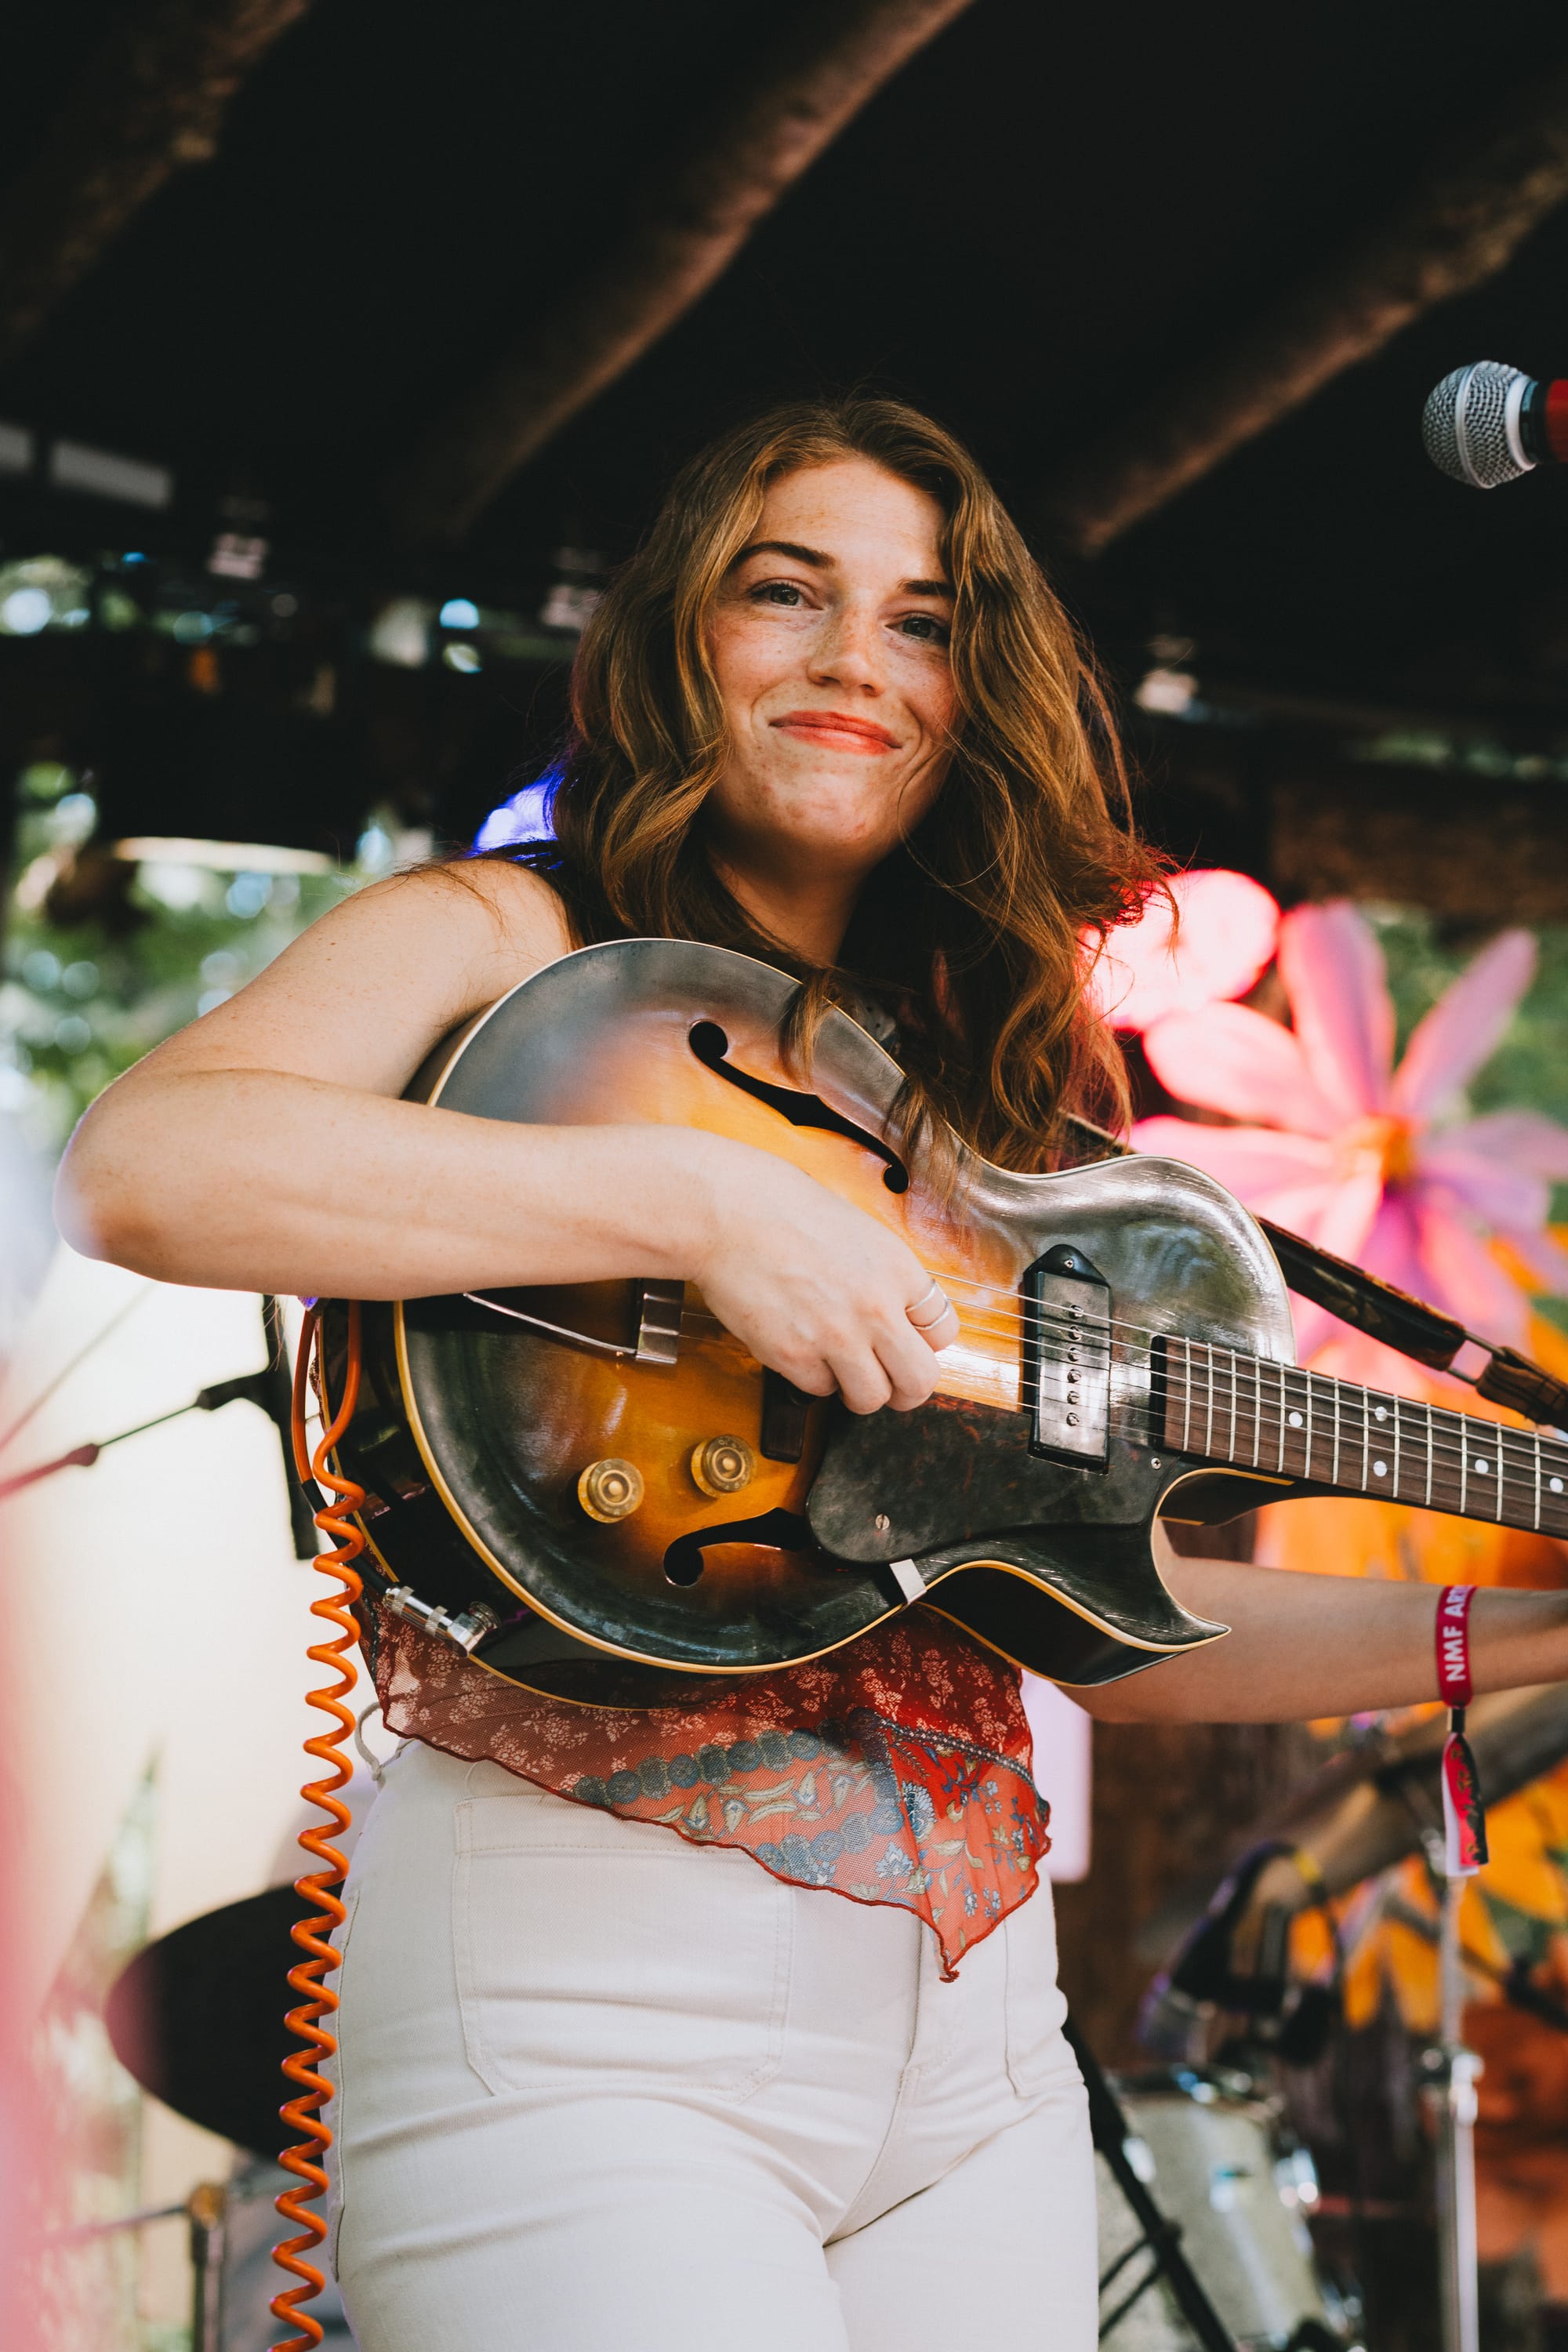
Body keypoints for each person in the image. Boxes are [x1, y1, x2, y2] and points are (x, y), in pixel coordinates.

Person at [57, 398, 1568, 2352]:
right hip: (583, 2008)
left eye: (924, 622)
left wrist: (1520, 1639)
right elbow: (148, 1164)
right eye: (788, 593)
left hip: (975, 2056)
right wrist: (691, 1199)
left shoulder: (992, 1092)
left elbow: (1119, 1630)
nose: (859, 658)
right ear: (681, 632)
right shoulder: (501, 932)